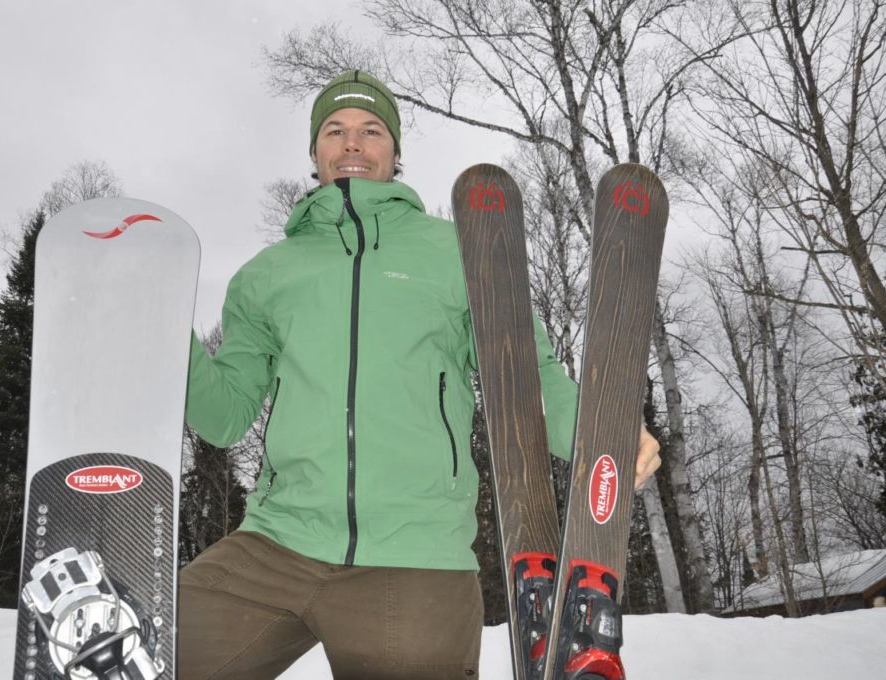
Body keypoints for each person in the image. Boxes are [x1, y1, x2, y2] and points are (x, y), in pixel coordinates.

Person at [177, 70, 661, 680]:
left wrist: (603, 435)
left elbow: (527, 375)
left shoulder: (459, 251)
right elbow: (225, 415)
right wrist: (168, 333)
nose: (353, 143)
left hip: (415, 557)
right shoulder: (266, 274)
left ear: (395, 151)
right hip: (275, 545)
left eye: (371, 130)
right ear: (314, 151)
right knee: (140, 659)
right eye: (336, 130)